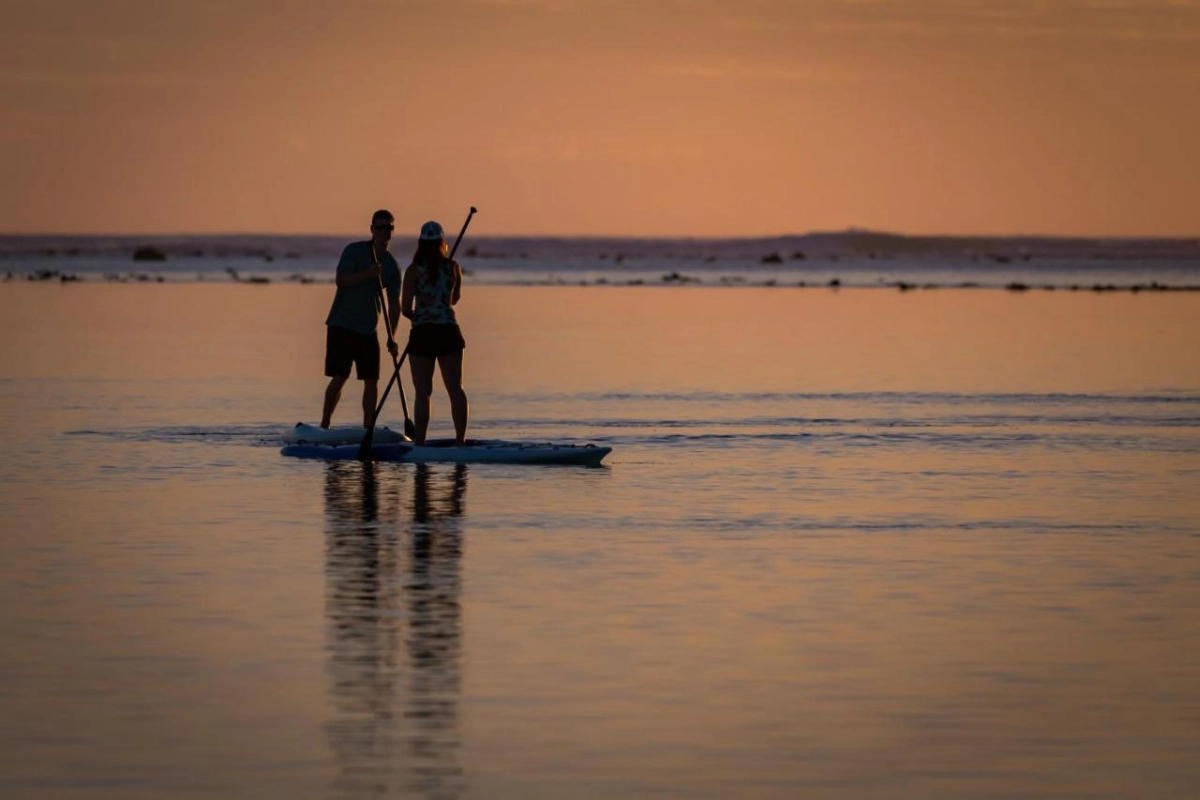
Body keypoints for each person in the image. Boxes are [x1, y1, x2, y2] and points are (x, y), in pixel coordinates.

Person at [320, 209, 401, 429]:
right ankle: (324, 425)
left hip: (368, 329)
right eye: (380, 227)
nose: (384, 231)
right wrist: (368, 274)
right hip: (342, 324)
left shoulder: (392, 267)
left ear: (392, 231)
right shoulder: (354, 251)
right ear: (372, 229)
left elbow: (394, 305)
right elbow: (341, 280)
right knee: (339, 377)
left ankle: (368, 427)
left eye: (388, 228)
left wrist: (392, 337)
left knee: (372, 380)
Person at [401, 220, 468, 446]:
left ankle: (419, 442)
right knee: (455, 388)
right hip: (448, 331)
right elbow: (454, 299)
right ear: (442, 242)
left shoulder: (412, 271)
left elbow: (405, 308)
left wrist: (419, 315)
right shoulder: (453, 267)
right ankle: (460, 440)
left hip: (422, 334)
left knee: (423, 392)